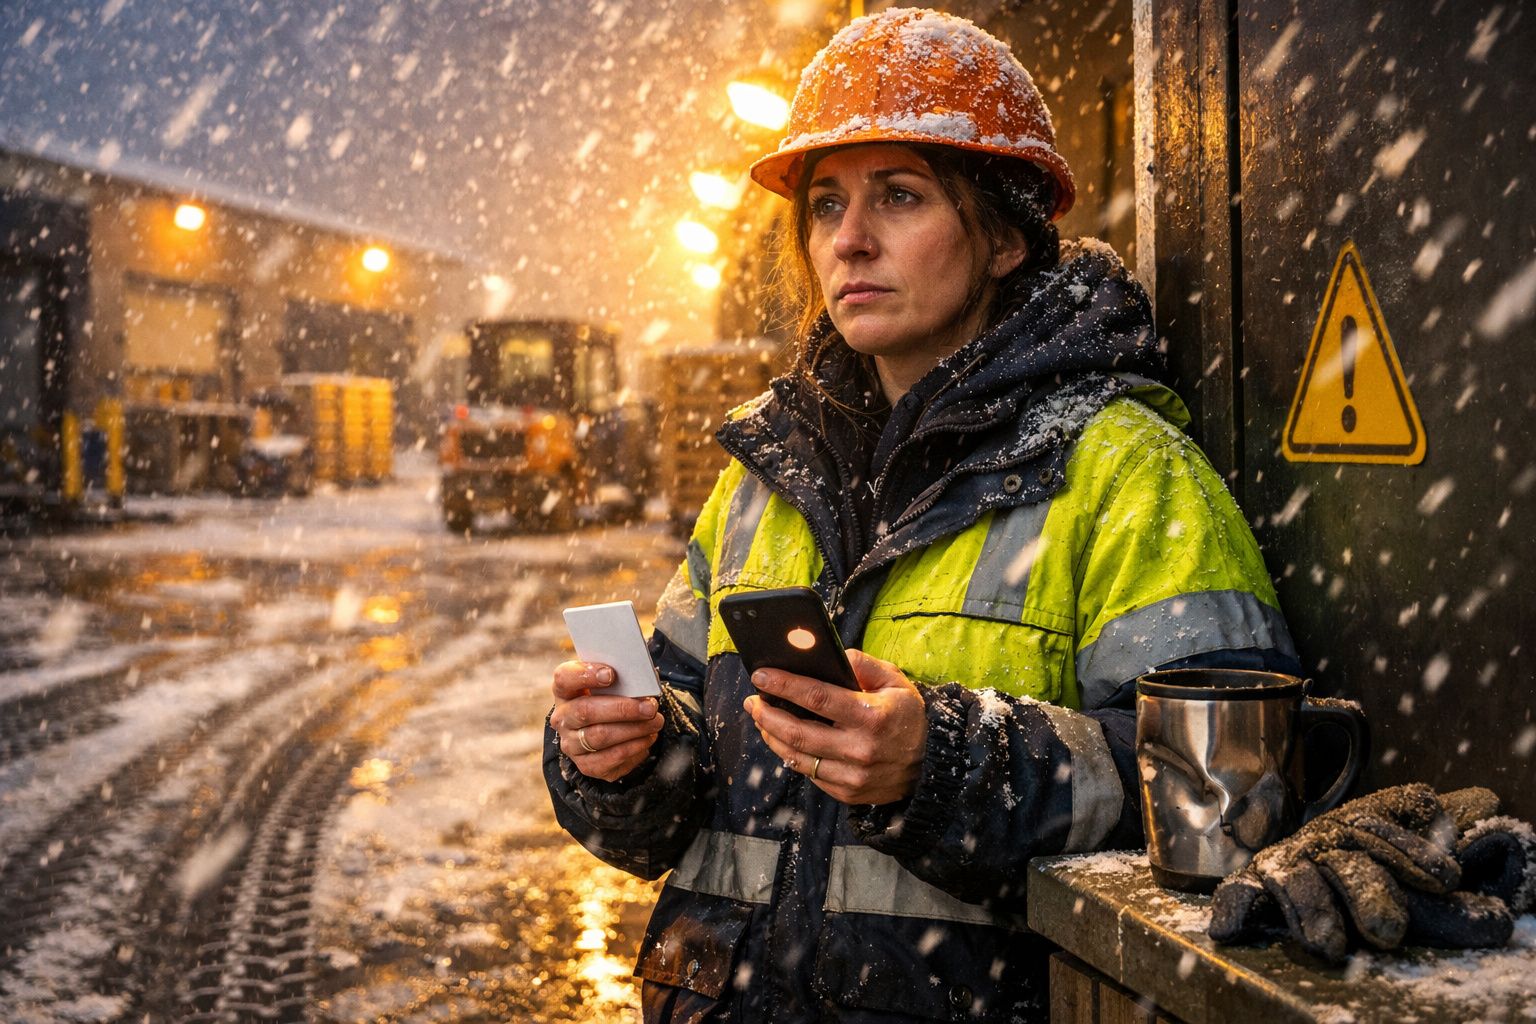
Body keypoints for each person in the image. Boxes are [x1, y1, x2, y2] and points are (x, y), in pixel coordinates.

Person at [545, 8, 1299, 1021]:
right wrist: (621, 752)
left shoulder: (1126, 470)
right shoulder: (761, 479)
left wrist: (943, 765)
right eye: (824, 205)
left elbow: (1230, 799)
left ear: (999, 236)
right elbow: (671, 795)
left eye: (898, 196)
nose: (848, 239)